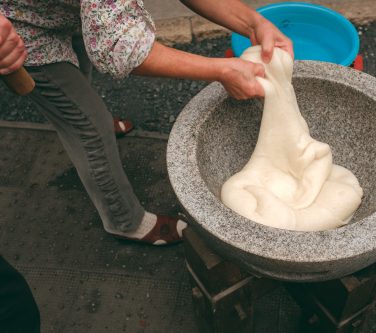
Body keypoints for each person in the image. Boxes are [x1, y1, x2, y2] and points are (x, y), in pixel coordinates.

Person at [0, 0, 293, 246]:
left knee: (79, 76)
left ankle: (81, 115)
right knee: (90, 127)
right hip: (18, 34)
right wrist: (221, 70)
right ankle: (125, 222)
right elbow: (121, 49)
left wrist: (254, 23)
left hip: (58, 10)